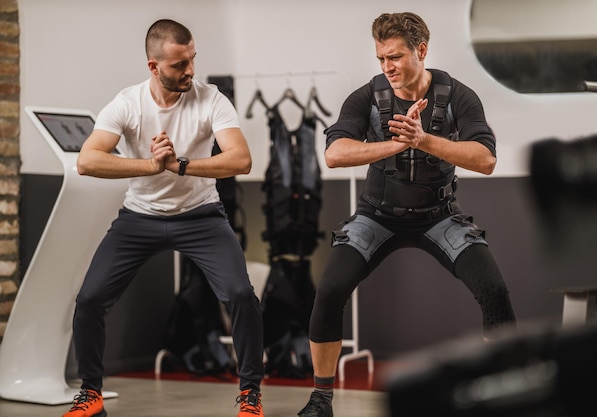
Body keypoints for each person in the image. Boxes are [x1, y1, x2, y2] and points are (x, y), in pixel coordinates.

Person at [297, 12, 516, 417]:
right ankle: (321, 399)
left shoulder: (458, 95)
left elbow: (485, 159)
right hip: (377, 216)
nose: (387, 67)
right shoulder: (368, 95)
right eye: (381, 58)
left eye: (395, 57)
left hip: (440, 215)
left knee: (495, 293)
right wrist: (395, 146)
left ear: (422, 50)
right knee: (328, 292)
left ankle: (500, 392)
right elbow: (334, 153)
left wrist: (423, 139)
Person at [63, 19, 265, 417]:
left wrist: (181, 165)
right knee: (88, 299)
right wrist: (152, 167)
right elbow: (87, 160)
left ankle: (251, 392)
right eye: (178, 65)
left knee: (241, 295)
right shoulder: (127, 103)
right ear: (153, 66)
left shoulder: (211, 99)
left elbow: (240, 159)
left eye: (192, 60)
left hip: (202, 216)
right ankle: (91, 393)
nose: (190, 70)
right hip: (140, 217)